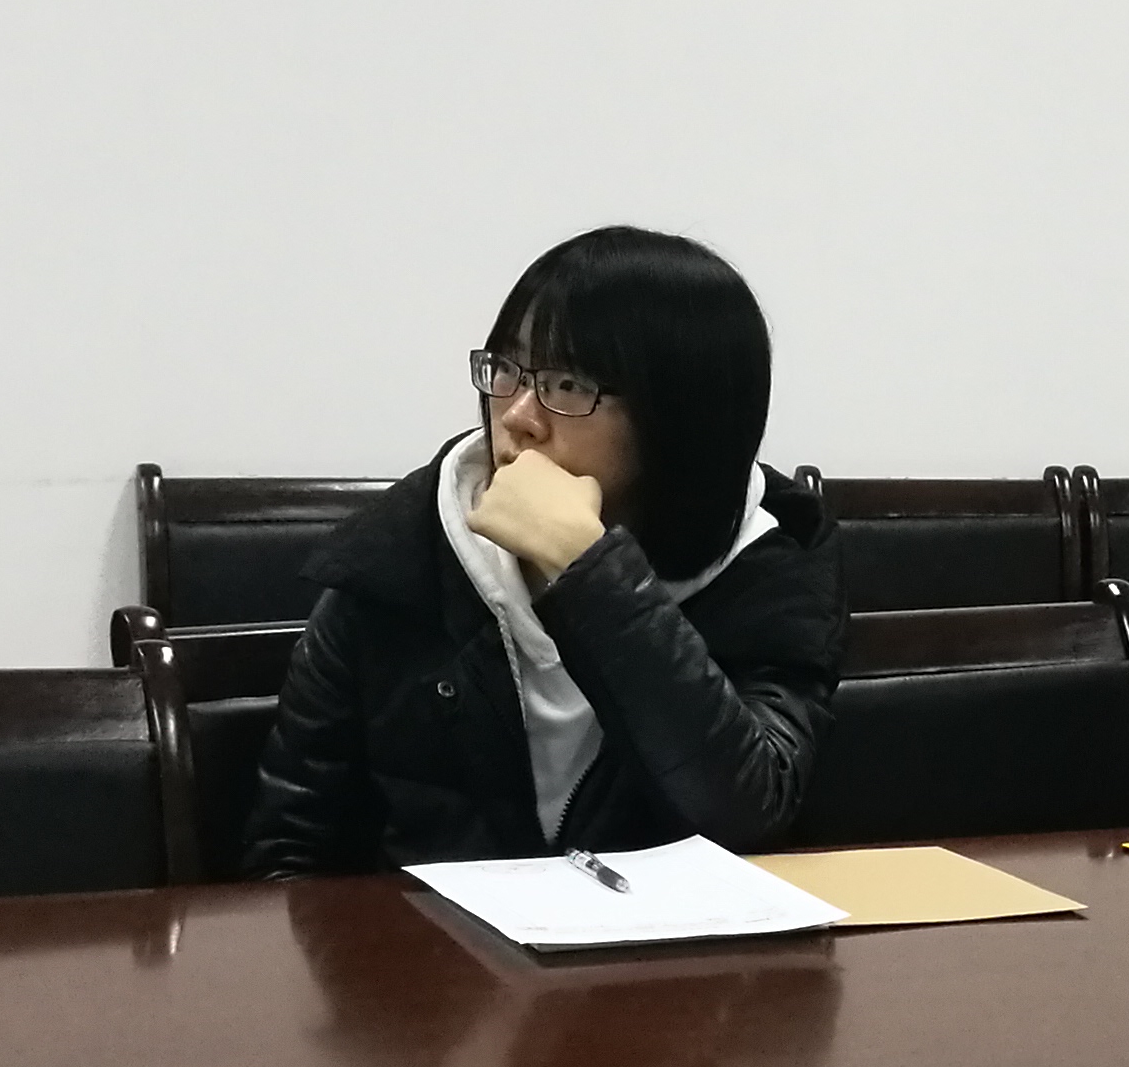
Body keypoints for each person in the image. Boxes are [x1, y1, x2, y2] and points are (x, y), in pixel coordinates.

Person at [244, 226, 842, 871]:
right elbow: (289, 852)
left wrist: (588, 569)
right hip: (429, 936)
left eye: (569, 385)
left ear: (681, 419)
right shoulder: (398, 557)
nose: (518, 416)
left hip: (673, 935)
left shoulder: (768, 562)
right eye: (506, 370)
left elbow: (746, 813)